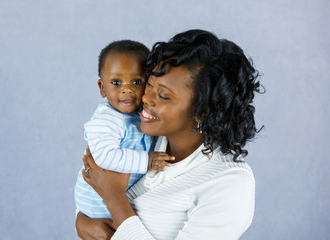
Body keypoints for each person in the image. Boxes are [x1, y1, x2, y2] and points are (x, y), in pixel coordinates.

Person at [76, 29, 262, 240]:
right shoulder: (142, 136)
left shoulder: (229, 183)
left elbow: (108, 188)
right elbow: (92, 187)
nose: (146, 98)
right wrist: (82, 221)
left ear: (203, 110)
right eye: (149, 84)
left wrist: (114, 198)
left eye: (163, 95)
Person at [74, 40, 175, 219]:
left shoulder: (141, 114)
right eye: (116, 82)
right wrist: (147, 161)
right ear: (102, 88)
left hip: (120, 202)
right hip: (98, 205)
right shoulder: (107, 119)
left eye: (136, 81)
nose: (127, 89)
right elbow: (104, 156)